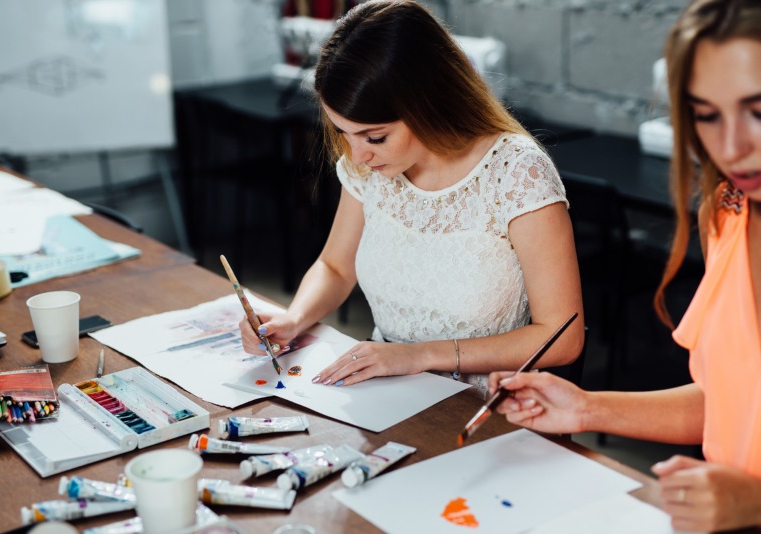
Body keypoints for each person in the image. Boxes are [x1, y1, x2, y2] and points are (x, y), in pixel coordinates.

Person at [489, 0, 761, 530]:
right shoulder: (728, 214)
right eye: (706, 115)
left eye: (760, 109)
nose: (731, 147)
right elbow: (732, 402)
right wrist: (586, 408)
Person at [240, 0, 584, 399]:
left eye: (374, 137)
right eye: (342, 133)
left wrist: (418, 356)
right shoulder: (372, 167)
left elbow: (563, 336)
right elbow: (335, 266)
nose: (357, 157)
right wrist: (293, 318)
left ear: (429, 103)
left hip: (487, 405)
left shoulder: (516, 174)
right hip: (386, 390)